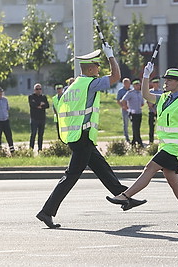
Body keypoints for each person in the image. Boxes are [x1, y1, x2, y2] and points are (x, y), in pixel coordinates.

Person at [36, 43, 146, 229]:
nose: (99, 69)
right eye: (97, 66)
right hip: (83, 137)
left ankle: (124, 197)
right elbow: (116, 76)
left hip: (78, 136)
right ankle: (46, 212)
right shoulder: (90, 83)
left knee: (102, 168)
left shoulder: (73, 86)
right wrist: (111, 56)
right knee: (71, 176)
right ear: (90, 68)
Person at [106, 63, 178, 226]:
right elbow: (146, 94)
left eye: (169, 80)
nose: (166, 82)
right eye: (166, 79)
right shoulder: (163, 97)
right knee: (174, 183)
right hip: (165, 145)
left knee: (150, 168)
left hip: (175, 146)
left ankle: (125, 197)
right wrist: (146, 76)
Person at [121, 78, 145, 147]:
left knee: (138, 127)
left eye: (139, 85)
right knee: (135, 128)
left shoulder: (140, 93)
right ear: (133, 85)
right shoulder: (130, 93)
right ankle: (139, 142)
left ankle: (134, 142)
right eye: (136, 85)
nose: (138, 86)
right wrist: (126, 108)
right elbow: (123, 100)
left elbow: (142, 103)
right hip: (133, 113)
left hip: (139, 112)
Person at [28, 83, 49, 152]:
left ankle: (40, 149)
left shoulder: (44, 97)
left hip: (42, 118)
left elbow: (47, 105)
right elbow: (32, 105)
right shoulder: (31, 96)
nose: (38, 90)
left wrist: (40, 106)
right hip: (34, 118)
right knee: (33, 134)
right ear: (34, 90)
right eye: (37, 89)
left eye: (40, 89)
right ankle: (31, 149)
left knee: (41, 135)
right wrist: (40, 104)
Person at [147, 76, 163, 143]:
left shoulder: (162, 92)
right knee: (151, 128)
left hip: (160, 112)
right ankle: (151, 142)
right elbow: (149, 103)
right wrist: (153, 109)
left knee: (161, 128)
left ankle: (161, 141)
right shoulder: (150, 92)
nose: (156, 84)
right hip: (152, 112)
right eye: (154, 83)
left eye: (157, 83)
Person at [116, 78, 131, 142]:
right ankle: (126, 136)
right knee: (126, 123)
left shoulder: (131, 90)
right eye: (127, 83)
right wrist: (123, 106)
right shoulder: (121, 91)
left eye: (129, 83)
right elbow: (118, 100)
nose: (129, 84)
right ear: (124, 84)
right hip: (125, 109)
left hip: (131, 109)